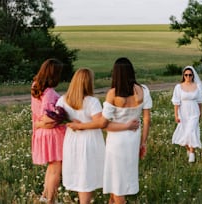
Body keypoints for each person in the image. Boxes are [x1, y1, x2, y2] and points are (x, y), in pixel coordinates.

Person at [59, 68, 140, 204]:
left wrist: (70, 122)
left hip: (71, 140)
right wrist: (80, 125)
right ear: (88, 82)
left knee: (80, 173)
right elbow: (100, 123)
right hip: (90, 140)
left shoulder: (63, 100)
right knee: (87, 175)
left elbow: (55, 118)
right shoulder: (91, 101)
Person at [102, 57, 152, 204]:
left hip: (116, 140)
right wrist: (143, 142)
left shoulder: (113, 94)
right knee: (123, 174)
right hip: (133, 138)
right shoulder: (143, 90)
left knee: (117, 179)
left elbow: (105, 125)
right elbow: (147, 120)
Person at [31, 58, 66, 203]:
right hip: (52, 134)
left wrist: (37, 124)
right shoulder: (50, 93)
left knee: (51, 167)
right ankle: (51, 199)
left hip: (41, 134)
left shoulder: (36, 86)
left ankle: (45, 196)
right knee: (56, 168)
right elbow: (49, 118)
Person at [171, 66, 202, 163]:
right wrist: (176, 115)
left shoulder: (197, 86)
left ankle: (192, 154)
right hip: (183, 112)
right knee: (184, 133)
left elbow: (200, 101)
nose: (188, 76)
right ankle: (188, 149)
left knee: (192, 132)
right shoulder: (178, 87)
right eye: (186, 75)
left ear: (193, 75)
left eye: (190, 75)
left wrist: (200, 113)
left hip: (194, 112)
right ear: (183, 76)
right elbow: (176, 102)